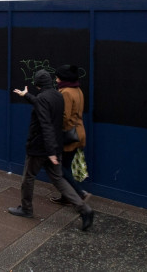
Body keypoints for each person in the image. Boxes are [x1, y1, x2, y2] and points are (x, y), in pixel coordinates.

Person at [9, 69, 94, 231]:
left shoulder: (43, 98)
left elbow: (45, 125)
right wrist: (26, 95)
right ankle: (84, 209)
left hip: (41, 148)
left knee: (28, 177)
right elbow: (44, 108)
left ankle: (26, 208)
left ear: (38, 84)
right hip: (55, 145)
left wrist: (50, 152)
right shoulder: (57, 95)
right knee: (59, 179)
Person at [50, 65, 91, 205]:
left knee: (58, 167)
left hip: (69, 135)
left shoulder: (66, 92)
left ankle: (79, 192)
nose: (56, 80)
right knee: (66, 165)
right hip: (79, 132)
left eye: (58, 77)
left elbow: (65, 117)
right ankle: (66, 197)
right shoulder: (77, 90)